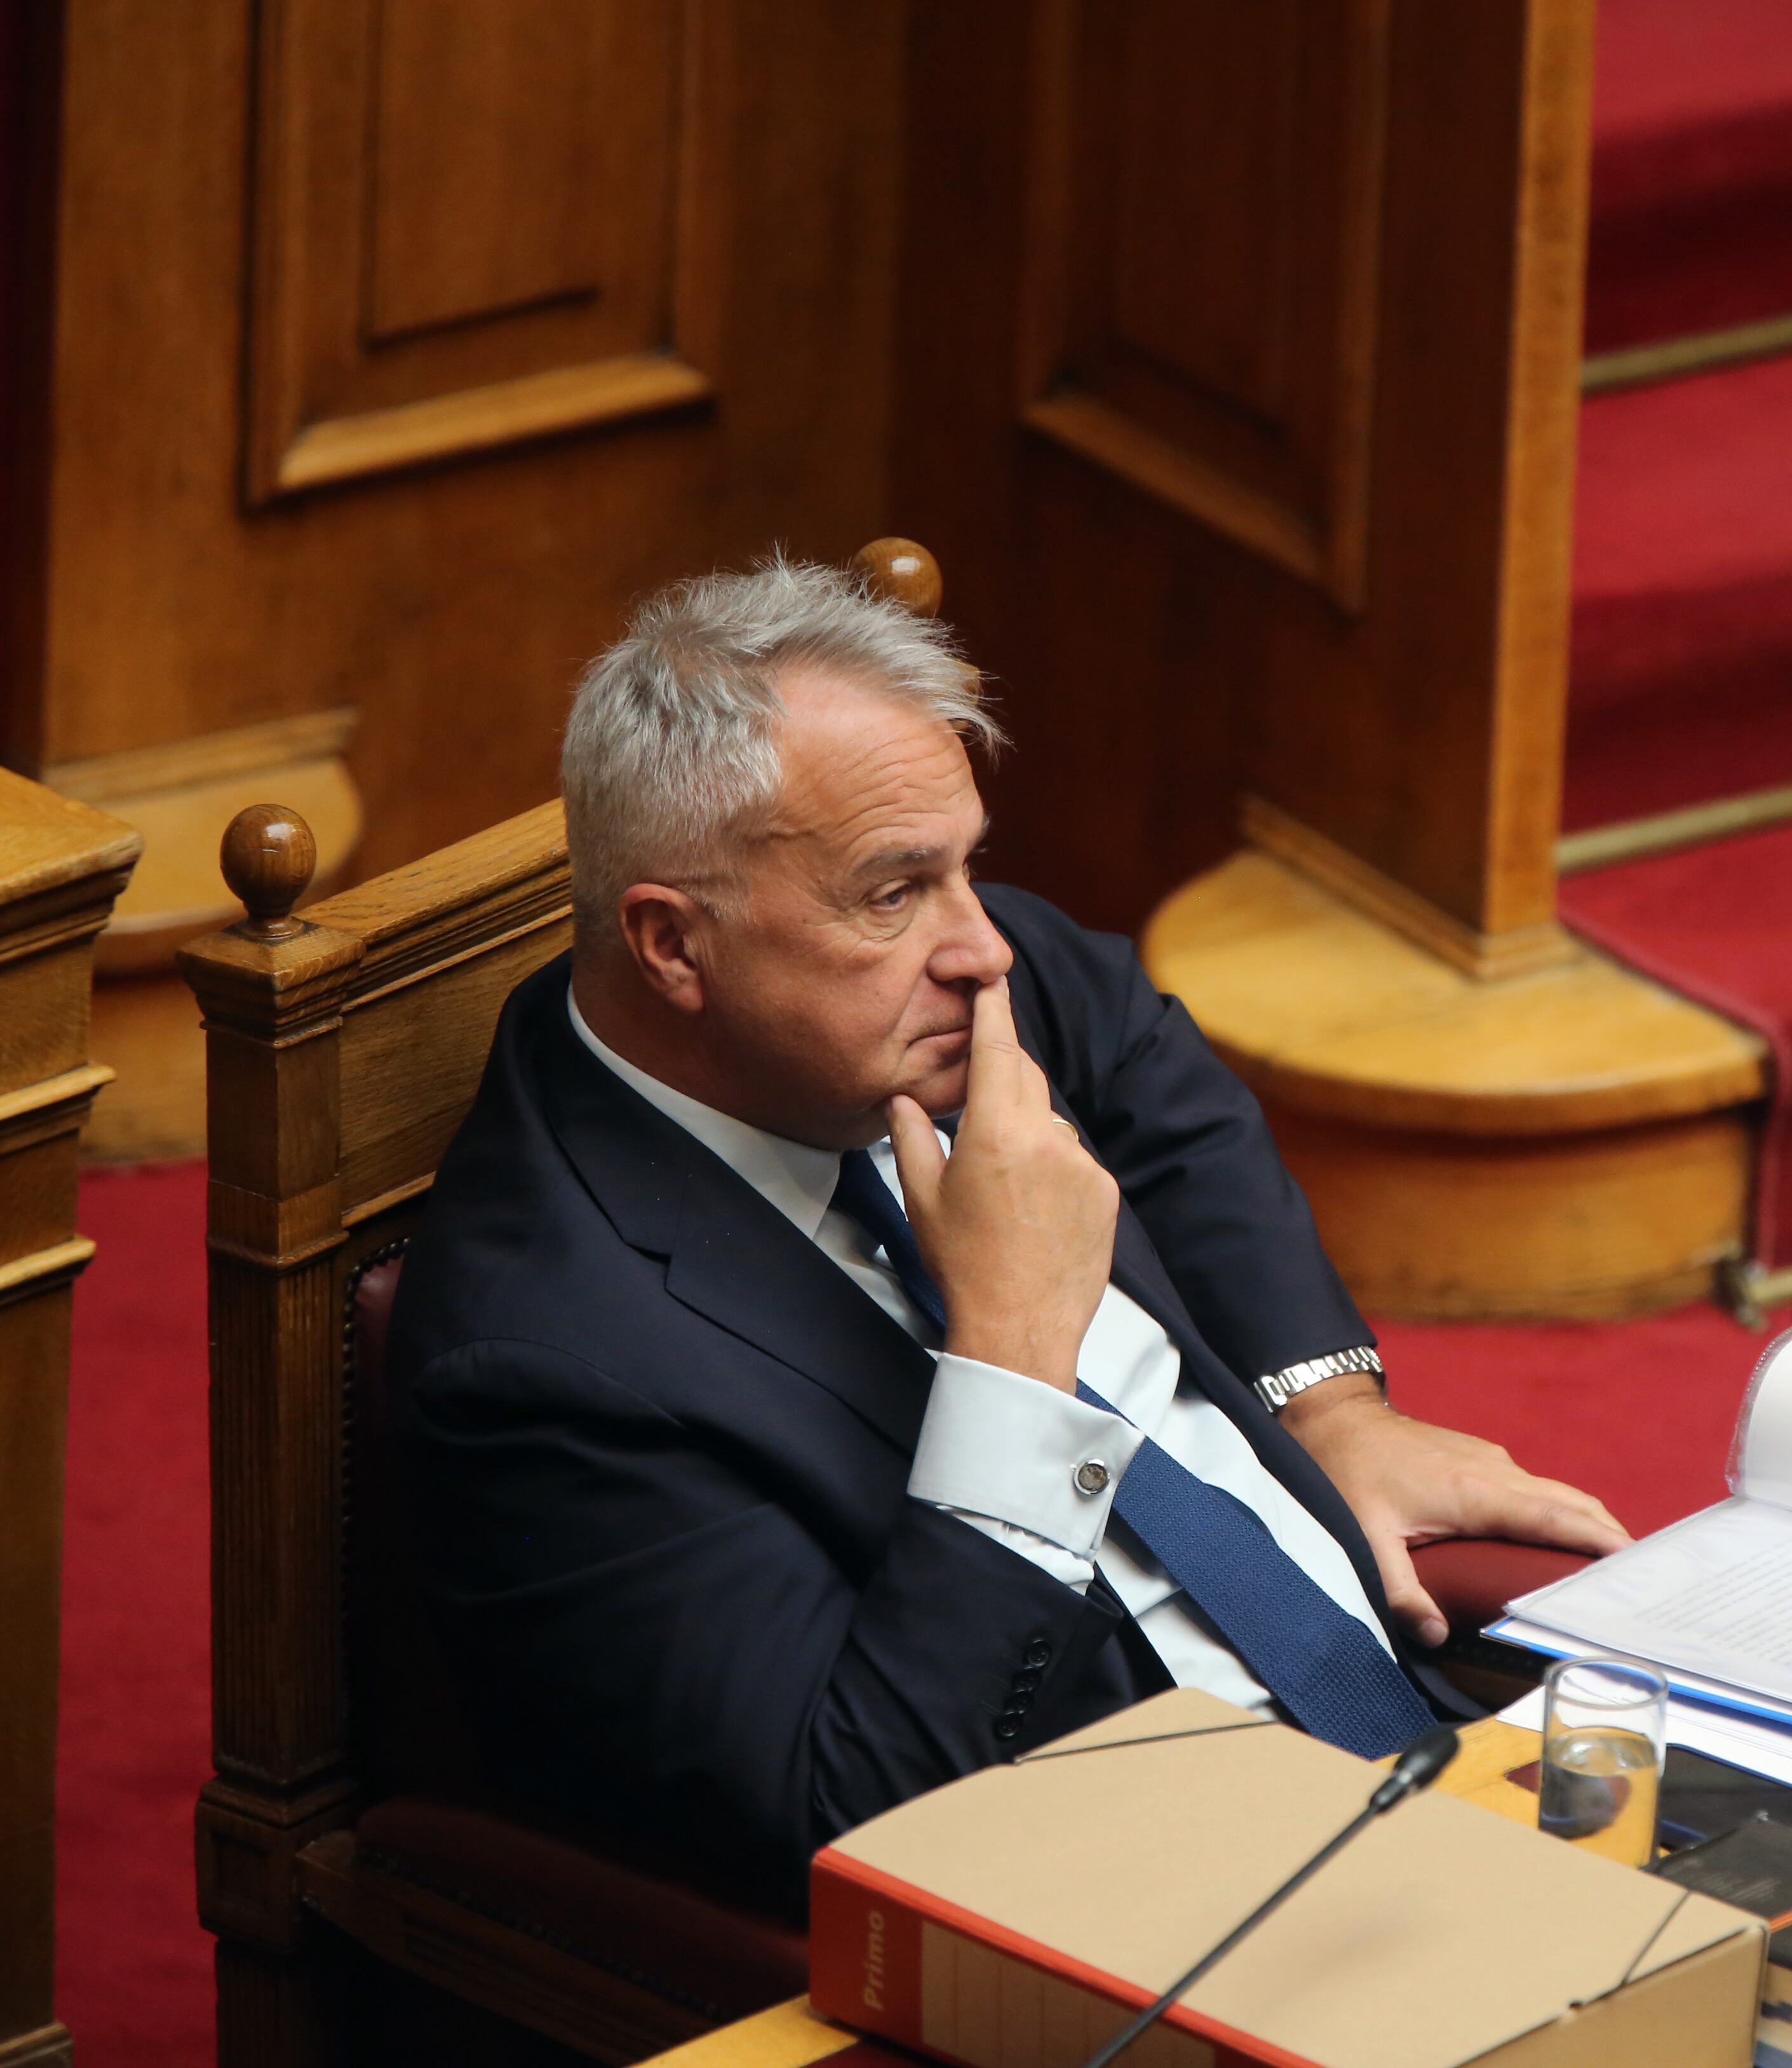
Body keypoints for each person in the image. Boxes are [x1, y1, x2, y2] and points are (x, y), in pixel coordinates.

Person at [393, 557, 1627, 1889]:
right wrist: (1015, 1357)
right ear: (674, 947)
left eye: (966, 866)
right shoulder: (546, 1360)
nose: (985, 948)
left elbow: (1146, 1059)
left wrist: (1328, 1406)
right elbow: (853, 1807)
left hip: (1427, 1759)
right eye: (893, 892)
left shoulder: (926, 997)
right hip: (1152, 1895)